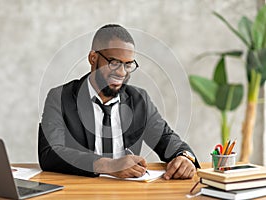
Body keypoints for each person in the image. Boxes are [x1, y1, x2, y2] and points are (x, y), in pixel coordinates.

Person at [38, 24, 200, 179]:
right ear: (93, 58)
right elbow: (50, 153)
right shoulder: (60, 97)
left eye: (128, 65)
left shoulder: (139, 100)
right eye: (114, 63)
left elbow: (169, 141)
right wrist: (108, 165)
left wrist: (184, 158)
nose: (122, 73)